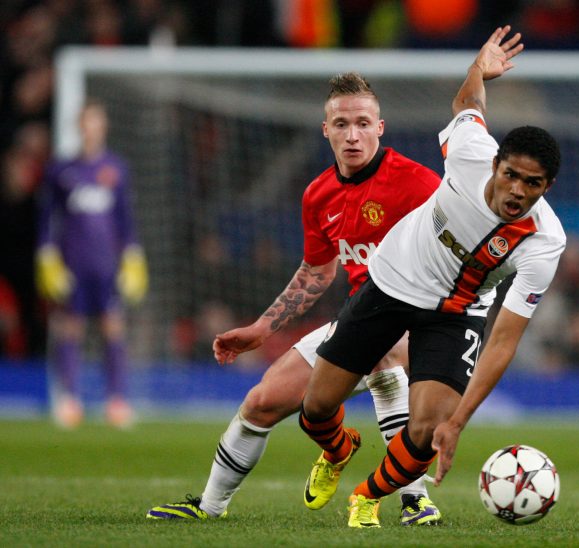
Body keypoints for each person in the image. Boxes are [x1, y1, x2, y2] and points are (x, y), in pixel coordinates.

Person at [146, 72, 443, 525]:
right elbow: (316, 273)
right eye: (341, 124)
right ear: (326, 130)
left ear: (380, 128)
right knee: (261, 402)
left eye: (363, 123)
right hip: (361, 319)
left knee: (384, 355)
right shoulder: (318, 194)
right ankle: (211, 505)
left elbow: (462, 247)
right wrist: (260, 329)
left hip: (420, 320)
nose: (352, 134)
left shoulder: (419, 184)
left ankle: (415, 501)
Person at [298, 26, 566, 528]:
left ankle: (367, 496)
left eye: (532, 184)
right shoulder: (468, 153)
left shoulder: (544, 241)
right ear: (495, 162)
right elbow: (468, 101)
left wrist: (460, 421)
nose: (516, 190)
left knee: (427, 428)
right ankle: (339, 450)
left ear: (546, 187)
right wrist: (478, 68)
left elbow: (504, 342)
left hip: (458, 311)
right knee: (314, 410)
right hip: (393, 282)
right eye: (510, 174)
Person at [36, 99, 148, 429]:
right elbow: (47, 218)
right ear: (79, 127)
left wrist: (133, 254)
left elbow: (125, 220)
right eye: (86, 123)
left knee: (113, 326)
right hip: (73, 262)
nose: (91, 129)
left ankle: (116, 400)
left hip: (106, 264)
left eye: (96, 123)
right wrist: (46, 254)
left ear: (103, 127)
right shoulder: (61, 170)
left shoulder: (116, 168)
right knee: (70, 327)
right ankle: (69, 399)